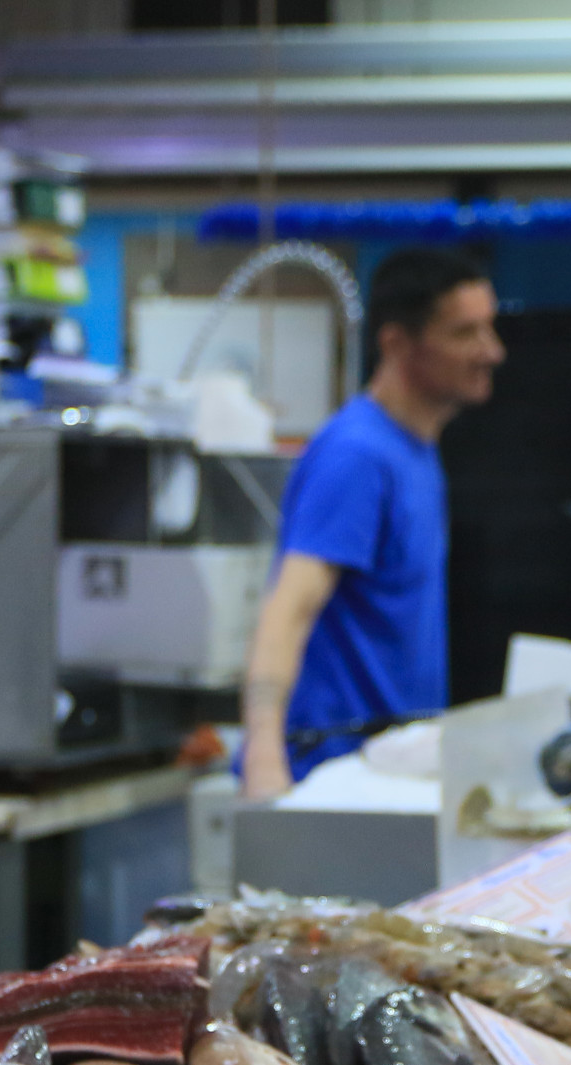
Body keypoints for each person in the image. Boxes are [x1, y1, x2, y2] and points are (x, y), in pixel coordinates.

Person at [239, 248, 503, 798]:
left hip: (385, 774)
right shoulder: (358, 456)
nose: (491, 352)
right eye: (465, 334)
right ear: (396, 344)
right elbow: (289, 608)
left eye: (489, 329)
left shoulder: (415, 450)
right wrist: (265, 755)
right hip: (328, 780)